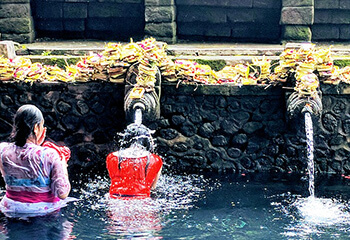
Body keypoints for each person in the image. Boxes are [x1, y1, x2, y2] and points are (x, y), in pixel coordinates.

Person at [0, 104, 71, 218]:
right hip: (42, 212)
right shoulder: (49, 154)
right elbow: (62, 193)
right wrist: (63, 165)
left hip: (10, 209)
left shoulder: (3, 150)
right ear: (36, 127)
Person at [106, 123, 163, 199]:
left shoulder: (112, 157)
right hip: (142, 202)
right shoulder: (155, 160)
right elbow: (152, 187)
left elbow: (114, 181)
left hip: (115, 201)